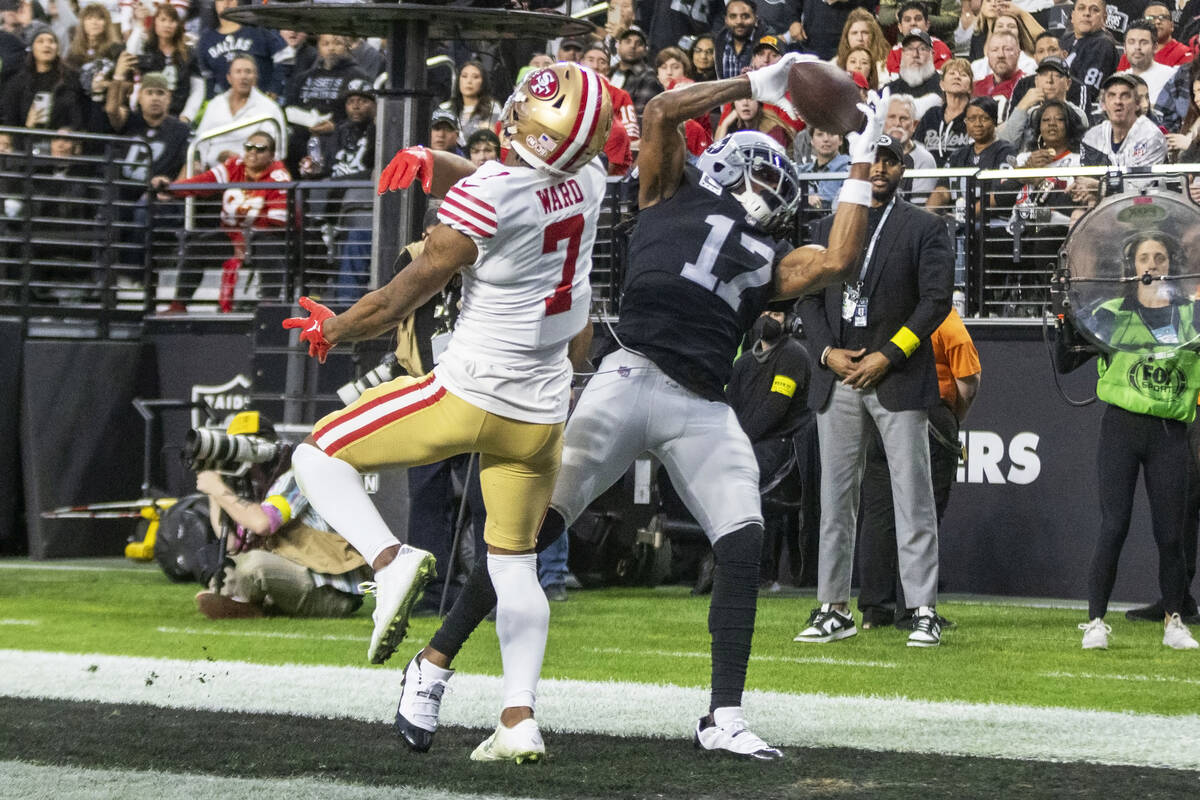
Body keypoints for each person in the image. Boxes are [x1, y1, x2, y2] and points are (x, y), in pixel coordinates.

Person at [388, 56, 891, 760]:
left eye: (778, 177)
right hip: (628, 376)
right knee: (523, 536)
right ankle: (434, 663)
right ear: (723, 161)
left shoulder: (773, 257)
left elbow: (839, 259)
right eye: (759, 168)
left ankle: (723, 715)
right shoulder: (668, 189)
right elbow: (658, 112)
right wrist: (758, 85)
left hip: (701, 406)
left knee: (742, 538)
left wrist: (863, 156)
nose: (767, 184)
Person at [283, 62, 614, 763]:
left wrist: (333, 328)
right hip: (541, 412)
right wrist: (438, 162)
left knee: (315, 454)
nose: (517, 109)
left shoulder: (489, 199)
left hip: (465, 395)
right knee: (514, 565)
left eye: (528, 108)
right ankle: (519, 717)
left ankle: (390, 559)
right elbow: (509, 184)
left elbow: (399, 298)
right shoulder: (589, 180)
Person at [793, 131, 953, 648]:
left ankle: (923, 608)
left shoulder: (925, 226)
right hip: (837, 373)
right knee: (835, 501)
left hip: (896, 374)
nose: (880, 169)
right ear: (854, 166)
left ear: (903, 168)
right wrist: (825, 354)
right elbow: (807, 301)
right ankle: (832, 607)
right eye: (872, 160)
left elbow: (935, 302)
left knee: (913, 496)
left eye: (889, 161)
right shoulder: (826, 224)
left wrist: (890, 354)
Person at [1057, 231, 1200, 651]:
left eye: (1159, 257)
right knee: (1114, 525)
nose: (1151, 264)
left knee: (1170, 533)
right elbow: (1066, 364)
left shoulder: (1192, 316)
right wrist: (1065, 317)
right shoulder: (1111, 313)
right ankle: (1096, 621)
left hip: (1170, 433)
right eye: (1143, 257)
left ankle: (1175, 621)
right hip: (1121, 427)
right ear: (1132, 266)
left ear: (1171, 265)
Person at [855, 309, 980, 630]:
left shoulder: (886, 313)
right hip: (927, 414)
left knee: (879, 514)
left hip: (879, 412)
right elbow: (968, 380)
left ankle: (874, 609)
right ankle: (913, 608)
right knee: (921, 514)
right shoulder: (941, 316)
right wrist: (953, 416)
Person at [192, 412, 370, 620]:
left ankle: (243, 601)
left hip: (332, 592)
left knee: (254, 565)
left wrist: (220, 489)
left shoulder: (296, 473)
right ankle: (244, 603)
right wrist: (215, 493)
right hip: (300, 577)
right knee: (219, 561)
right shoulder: (255, 485)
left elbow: (262, 524)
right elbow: (232, 543)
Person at [151, 130, 290, 312]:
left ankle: (269, 307)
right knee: (196, 247)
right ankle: (178, 305)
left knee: (268, 249)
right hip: (232, 235)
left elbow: (277, 224)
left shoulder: (279, 177)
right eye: (248, 147)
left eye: (260, 149)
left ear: (271, 155)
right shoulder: (234, 165)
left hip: (263, 237)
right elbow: (203, 182)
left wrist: (247, 239)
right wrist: (172, 188)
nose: (252, 153)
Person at [726, 307, 813, 593]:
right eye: (764, 313)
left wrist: (742, 439)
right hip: (744, 442)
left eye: (777, 314)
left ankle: (764, 575)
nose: (769, 319)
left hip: (783, 445)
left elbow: (776, 406)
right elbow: (730, 405)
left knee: (757, 492)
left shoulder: (794, 355)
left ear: (787, 320)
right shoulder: (743, 363)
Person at [300, 78, 377, 303]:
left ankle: (341, 297)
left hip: (361, 197)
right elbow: (327, 168)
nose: (355, 105)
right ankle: (316, 285)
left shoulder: (379, 131)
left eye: (362, 101)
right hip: (333, 196)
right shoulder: (336, 133)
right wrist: (313, 170)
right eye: (351, 101)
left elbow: (374, 169)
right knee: (309, 219)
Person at [192, 53, 287, 169]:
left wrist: (239, 159)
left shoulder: (269, 108)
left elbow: (277, 153)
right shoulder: (214, 105)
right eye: (238, 72)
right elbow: (200, 143)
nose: (243, 77)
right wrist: (199, 164)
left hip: (250, 175)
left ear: (255, 77)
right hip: (211, 173)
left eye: (248, 72)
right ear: (229, 78)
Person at [126, 3, 203, 123]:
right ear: (155, 22)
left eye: (172, 21)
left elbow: (198, 88)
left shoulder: (190, 53)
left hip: (177, 116)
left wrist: (187, 116)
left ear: (178, 25)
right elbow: (130, 52)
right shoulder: (146, 48)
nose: (167, 25)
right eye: (163, 20)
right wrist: (139, 25)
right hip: (146, 117)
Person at [998, 55, 1090, 150]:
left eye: (1057, 75)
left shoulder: (1077, 114)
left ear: (1068, 83)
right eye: (1044, 74)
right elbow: (1007, 147)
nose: (1049, 80)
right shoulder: (1027, 114)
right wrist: (1023, 105)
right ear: (1036, 82)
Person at [197, 0, 286, 97]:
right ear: (214, 4)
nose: (227, 3)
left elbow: (285, 57)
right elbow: (207, 80)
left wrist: (274, 89)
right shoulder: (206, 40)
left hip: (261, 103)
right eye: (221, 0)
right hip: (227, 106)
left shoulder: (257, 31)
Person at [0, 29, 84, 131]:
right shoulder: (17, 82)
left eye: (51, 41)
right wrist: (28, 126)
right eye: (40, 41)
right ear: (32, 49)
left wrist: (70, 129)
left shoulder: (71, 78)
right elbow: (11, 120)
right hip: (28, 141)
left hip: (63, 141)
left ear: (57, 48)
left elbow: (80, 113)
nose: (47, 45)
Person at [1081, 72, 1168, 167]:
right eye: (1112, 95)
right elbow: (1084, 178)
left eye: (1125, 96)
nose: (1118, 101)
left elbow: (1142, 181)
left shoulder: (1151, 136)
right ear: (1103, 104)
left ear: (1137, 103)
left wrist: (1099, 182)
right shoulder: (1093, 137)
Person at [63, 2, 123, 134]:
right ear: (82, 23)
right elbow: (68, 87)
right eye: (90, 18)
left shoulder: (116, 51)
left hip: (107, 112)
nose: (94, 22)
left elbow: (125, 83)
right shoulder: (73, 54)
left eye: (99, 18)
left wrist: (106, 85)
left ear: (106, 23)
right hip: (82, 111)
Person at [1059, 0, 1119, 103]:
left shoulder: (1103, 44)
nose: (1087, 13)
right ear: (1072, 16)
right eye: (1081, 8)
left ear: (1104, 18)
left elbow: (1088, 91)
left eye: (1094, 10)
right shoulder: (1065, 39)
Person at [916, 57, 973, 165]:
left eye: (963, 74)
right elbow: (916, 149)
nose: (957, 77)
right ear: (942, 85)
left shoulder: (975, 116)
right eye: (952, 73)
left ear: (970, 87)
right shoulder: (931, 115)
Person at [439, 59, 502, 147]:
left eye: (475, 77)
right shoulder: (447, 109)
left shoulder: (492, 107)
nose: (469, 81)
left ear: (483, 82)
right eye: (464, 76)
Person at [1119, 20, 1178, 110]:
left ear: (1155, 47)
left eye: (1144, 42)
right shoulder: (1119, 79)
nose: (1137, 47)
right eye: (1131, 42)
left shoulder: (1170, 76)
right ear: (1124, 48)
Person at [1117, 2, 1196, 69]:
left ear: (1172, 25)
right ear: (1142, 24)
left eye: (1163, 17)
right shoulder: (1132, 53)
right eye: (1150, 18)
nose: (1157, 21)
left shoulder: (1183, 54)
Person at [885, 1, 953, 77]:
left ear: (927, 25)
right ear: (900, 27)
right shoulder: (895, 52)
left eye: (918, 19)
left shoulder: (940, 47)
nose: (913, 23)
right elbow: (895, 83)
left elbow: (942, 82)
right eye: (907, 20)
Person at [890, 29, 944, 120]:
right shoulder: (890, 89)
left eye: (922, 49)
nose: (915, 54)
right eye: (910, 49)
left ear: (932, 54)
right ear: (902, 54)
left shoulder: (943, 87)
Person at [714, 0, 767, 80]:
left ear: (755, 19)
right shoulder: (719, 42)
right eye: (733, 16)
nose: (739, 22)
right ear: (726, 20)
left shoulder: (768, 44)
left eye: (745, 16)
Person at [836, 8, 889, 87]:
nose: (860, 38)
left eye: (865, 33)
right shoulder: (835, 65)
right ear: (847, 37)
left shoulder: (885, 65)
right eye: (854, 33)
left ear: (873, 36)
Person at [800, 125, 849, 210]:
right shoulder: (803, 170)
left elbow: (827, 202)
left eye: (832, 134)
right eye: (820, 134)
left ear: (840, 140)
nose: (826, 139)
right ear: (812, 140)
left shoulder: (850, 167)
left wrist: (806, 199)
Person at [714, 96, 794, 148]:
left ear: (759, 103)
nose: (745, 103)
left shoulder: (773, 129)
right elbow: (717, 155)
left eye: (750, 98)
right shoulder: (734, 125)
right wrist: (725, 124)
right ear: (734, 106)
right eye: (739, 99)